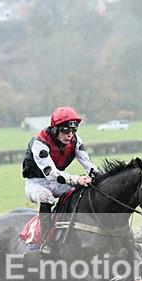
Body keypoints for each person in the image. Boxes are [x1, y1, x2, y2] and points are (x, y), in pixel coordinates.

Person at [22, 106, 99, 254]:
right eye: (65, 130)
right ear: (55, 128)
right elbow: (50, 173)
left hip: (57, 183)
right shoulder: (40, 142)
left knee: (79, 192)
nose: (70, 135)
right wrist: (77, 179)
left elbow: (88, 164)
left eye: (73, 131)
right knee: (46, 197)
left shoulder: (75, 141)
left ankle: (72, 229)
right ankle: (45, 241)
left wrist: (100, 178)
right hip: (36, 183)